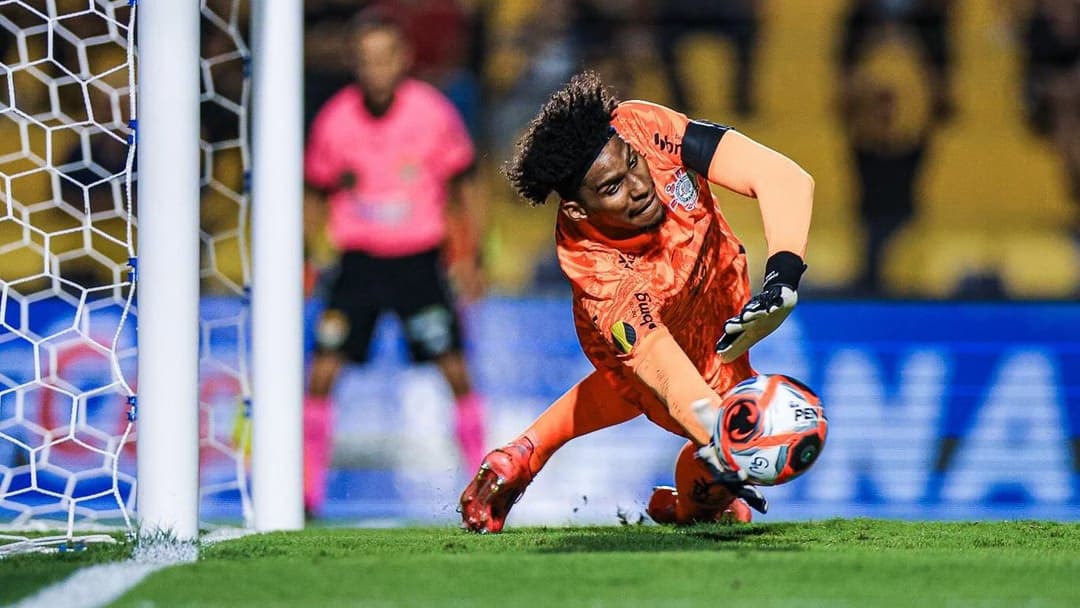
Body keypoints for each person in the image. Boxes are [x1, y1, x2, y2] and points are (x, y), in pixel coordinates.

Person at [459, 72, 814, 533]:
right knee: (702, 432)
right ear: (578, 210)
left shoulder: (642, 127)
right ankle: (691, 508)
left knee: (689, 413)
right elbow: (669, 377)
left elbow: (783, 177)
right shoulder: (600, 275)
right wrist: (727, 444)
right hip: (650, 331)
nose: (640, 186)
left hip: (716, 288)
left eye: (633, 163)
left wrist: (783, 278)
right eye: (612, 188)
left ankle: (521, 455)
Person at [303, 9, 487, 517]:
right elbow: (315, 191)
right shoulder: (335, 119)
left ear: (403, 58)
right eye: (366, 59)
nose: (376, 69)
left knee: (456, 370)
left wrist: (471, 256)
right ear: (354, 62)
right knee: (321, 373)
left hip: (418, 262)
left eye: (385, 57)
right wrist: (306, 254)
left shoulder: (433, 113)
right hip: (358, 264)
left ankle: (486, 484)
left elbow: (466, 184)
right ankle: (307, 492)